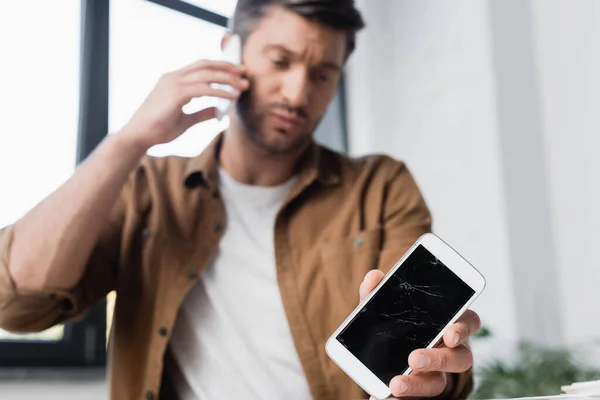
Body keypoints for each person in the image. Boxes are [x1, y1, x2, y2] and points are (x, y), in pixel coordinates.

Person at [0, 1, 481, 399]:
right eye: (280, 61)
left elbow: (424, 362)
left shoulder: (379, 187)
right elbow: (16, 305)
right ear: (231, 52)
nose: (297, 93)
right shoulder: (147, 190)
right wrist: (128, 141)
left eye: (322, 74)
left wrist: (436, 371)